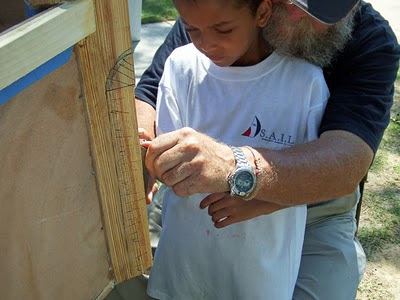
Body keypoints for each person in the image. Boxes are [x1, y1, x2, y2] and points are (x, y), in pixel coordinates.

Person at [136, 0, 400, 299]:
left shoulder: (371, 40)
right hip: (198, 192)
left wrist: (240, 172)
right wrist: (140, 151)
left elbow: (346, 163)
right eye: (290, 1)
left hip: (316, 201)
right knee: (126, 277)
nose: (299, 13)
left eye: (321, 11)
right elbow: (149, 93)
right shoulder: (222, 15)